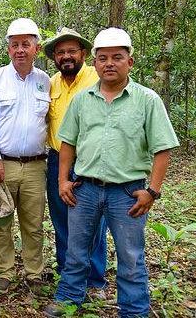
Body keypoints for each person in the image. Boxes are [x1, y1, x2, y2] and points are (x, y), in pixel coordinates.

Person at [44, 28, 179, 317]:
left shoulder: (147, 100)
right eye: (102, 58)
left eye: (117, 57)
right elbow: (67, 142)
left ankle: (133, 310)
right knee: (76, 250)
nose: (109, 63)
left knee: (130, 256)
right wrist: (62, 180)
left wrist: (152, 191)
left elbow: (163, 149)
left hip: (127, 192)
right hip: (85, 188)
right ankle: (69, 298)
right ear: (94, 62)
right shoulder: (82, 100)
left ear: (130, 62)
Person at [0, 18, 50, 293]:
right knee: (0, 222)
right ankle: (4, 273)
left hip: (35, 166)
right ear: (8, 49)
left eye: (26, 44)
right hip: (2, 164)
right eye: (15, 44)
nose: (20, 50)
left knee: (33, 224)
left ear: (37, 49)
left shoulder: (45, 81)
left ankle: (34, 274)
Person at [43, 28, 108, 294]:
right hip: (58, 160)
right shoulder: (50, 83)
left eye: (72, 51)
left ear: (83, 53)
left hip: (90, 160)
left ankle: (94, 280)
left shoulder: (97, 78)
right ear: (54, 58)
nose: (66, 56)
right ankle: (68, 273)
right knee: (61, 219)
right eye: (60, 52)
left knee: (93, 222)